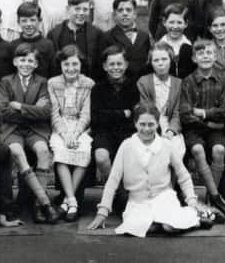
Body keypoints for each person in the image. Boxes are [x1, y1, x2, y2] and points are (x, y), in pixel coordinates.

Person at [86, 103, 212, 237]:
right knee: (138, 228)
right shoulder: (127, 146)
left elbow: (183, 176)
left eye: (151, 124)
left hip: (164, 198)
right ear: (135, 124)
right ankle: (159, 223)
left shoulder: (166, 145)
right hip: (137, 202)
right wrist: (103, 211)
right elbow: (113, 180)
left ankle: (196, 219)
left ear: (158, 124)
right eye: (142, 124)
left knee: (170, 226)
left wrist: (191, 201)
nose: (146, 129)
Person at [0, 43, 60, 224]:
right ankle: (45, 203)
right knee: (17, 151)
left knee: (43, 151)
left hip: (35, 129)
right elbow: (3, 111)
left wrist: (19, 107)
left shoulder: (42, 82)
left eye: (30, 60)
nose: (26, 64)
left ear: (36, 64)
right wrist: (32, 110)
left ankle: (39, 207)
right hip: (12, 129)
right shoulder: (6, 81)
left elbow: (46, 112)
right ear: (15, 62)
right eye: (22, 59)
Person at [180, 39, 225, 219]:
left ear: (215, 57)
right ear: (194, 59)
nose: (205, 56)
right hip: (194, 130)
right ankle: (216, 197)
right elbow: (186, 114)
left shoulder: (222, 80)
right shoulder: (188, 82)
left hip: (215, 130)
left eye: (209, 53)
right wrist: (211, 122)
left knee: (219, 150)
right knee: (197, 149)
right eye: (201, 53)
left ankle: (211, 198)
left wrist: (203, 113)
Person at [48, 45, 94, 222]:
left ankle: (67, 201)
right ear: (60, 65)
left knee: (84, 151)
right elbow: (54, 113)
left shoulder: (88, 84)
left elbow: (86, 114)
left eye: (75, 64)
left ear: (81, 64)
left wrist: (75, 134)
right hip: (60, 126)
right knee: (61, 152)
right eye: (66, 64)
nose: (71, 68)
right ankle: (73, 201)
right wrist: (65, 134)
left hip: (81, 127)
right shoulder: (52, 83)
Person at [91, 46, 139, 183]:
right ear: (105, 66)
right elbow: (96, 118)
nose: (115, 67)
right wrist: (123, 113)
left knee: (131, 157)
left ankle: (126, 191)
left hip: (126, 131)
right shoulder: (97, 88)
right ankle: (113, 189)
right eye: (111, 64)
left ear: (126, 65)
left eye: (119, 64)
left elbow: (134, 115)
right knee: (101, 157)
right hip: (103, 132)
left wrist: (109, 114)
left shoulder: (133, 87)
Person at [137, 42, 186, 157]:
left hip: (171, 125)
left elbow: (177, 112)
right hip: (150, 124)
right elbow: (145, 110)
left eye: (164, 59)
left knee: (176, 151)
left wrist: (171, 131)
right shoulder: (144, 82)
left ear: (171, 60)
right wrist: (157, 130)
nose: (161, 64)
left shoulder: (178, 83)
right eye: (156, 60)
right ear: (151, 63)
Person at [47, 0, 103, 78]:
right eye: (77, 9)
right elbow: (53, 66)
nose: (81, 13)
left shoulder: (96, 34)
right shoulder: (54, 34)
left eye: (85, 9)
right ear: (68, 9)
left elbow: (98, 65)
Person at [100, 0, 152, 81]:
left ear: (135, 14)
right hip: (118, 84)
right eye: (120, 10)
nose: (125, 13)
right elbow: (102, 66)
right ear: (114, 15)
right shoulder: (107, 37)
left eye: (128, 10)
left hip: (141, 84)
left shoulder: (144, 36)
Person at [10, 2, 55, 78]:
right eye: (24, 21)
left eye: (32, 20)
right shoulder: (13, 45)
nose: (28, 24)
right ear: (18, 22)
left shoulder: (48, 44)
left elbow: (52, 71)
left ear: (39, 20)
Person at [158, 3, 197, 79]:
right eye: (171, 22)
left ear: (186, 24)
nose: (175, 27)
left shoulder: (190, 48)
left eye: (179, 22)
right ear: (164, 22)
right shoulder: (159, 47)